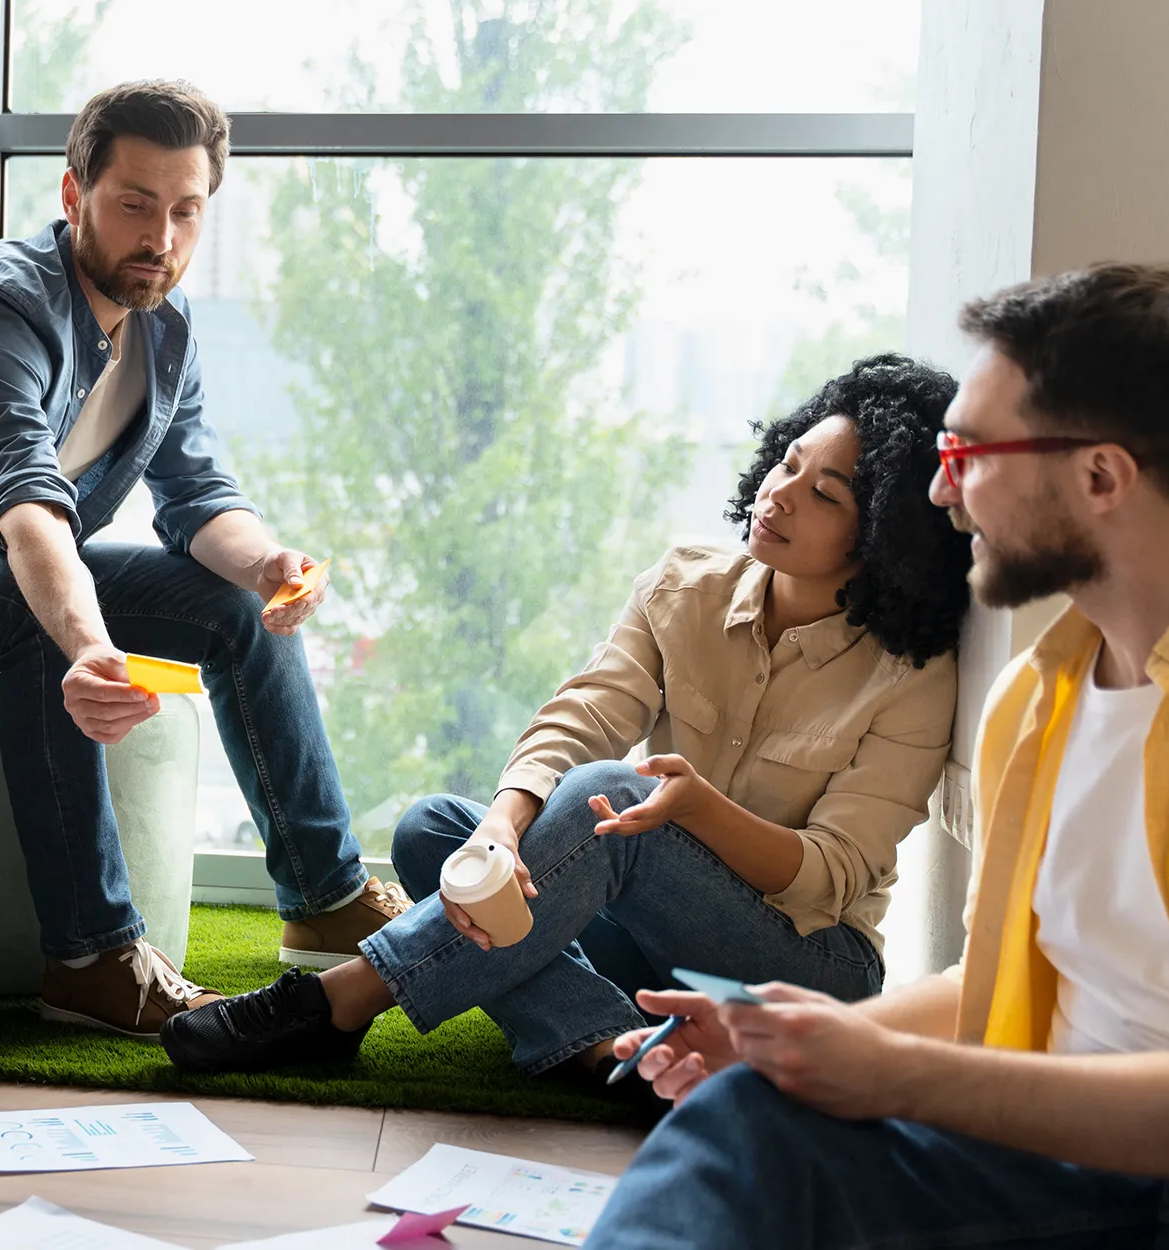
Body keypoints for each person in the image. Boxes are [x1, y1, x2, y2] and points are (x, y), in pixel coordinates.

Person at [581, 263, 1169, 1248]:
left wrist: (894, 1071)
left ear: (1102, 475)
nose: (940, 490)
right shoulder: (1035, 700)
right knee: (744, 1119)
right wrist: (786, 1036)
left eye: (966, 453)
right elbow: (992, 982)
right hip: (1049, 1158)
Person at [0, 79, 404, 1039]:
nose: (161, 237)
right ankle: (92, 957)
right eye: (135, 204)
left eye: (186, 211)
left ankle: (324, 895)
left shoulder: (165, 331)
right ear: (72, 195)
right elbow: (28, 511)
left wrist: (264, 565)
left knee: (224, 604)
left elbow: (200, 497)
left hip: (1, 568)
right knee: (38, 605)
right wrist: (90, 642)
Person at [163, 355, 973, 1091]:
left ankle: (340, 1003)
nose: (781, 493)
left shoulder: (912, 676)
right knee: (438, 834)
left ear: (880, 542)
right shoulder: (684, 585)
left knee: (616, 799)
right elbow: (586, 714)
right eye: (790, 463)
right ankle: (614, 1049)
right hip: (649, 938)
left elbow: (828, 876)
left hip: (805, 963)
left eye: (824, 495)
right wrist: (501, 831)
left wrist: (694, 812)